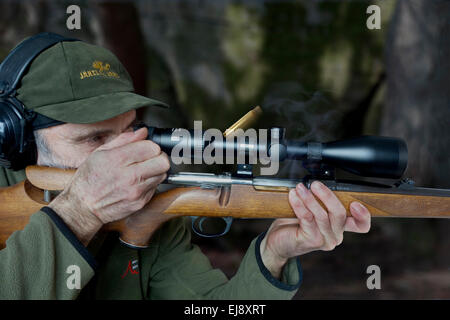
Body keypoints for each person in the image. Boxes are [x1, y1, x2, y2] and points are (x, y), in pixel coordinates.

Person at [0, 36, 371, 299]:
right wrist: (79, 212)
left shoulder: (149, 213)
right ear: (18, 141)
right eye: (94, 139)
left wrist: (273, 256)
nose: (122, 154)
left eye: (130, 130)